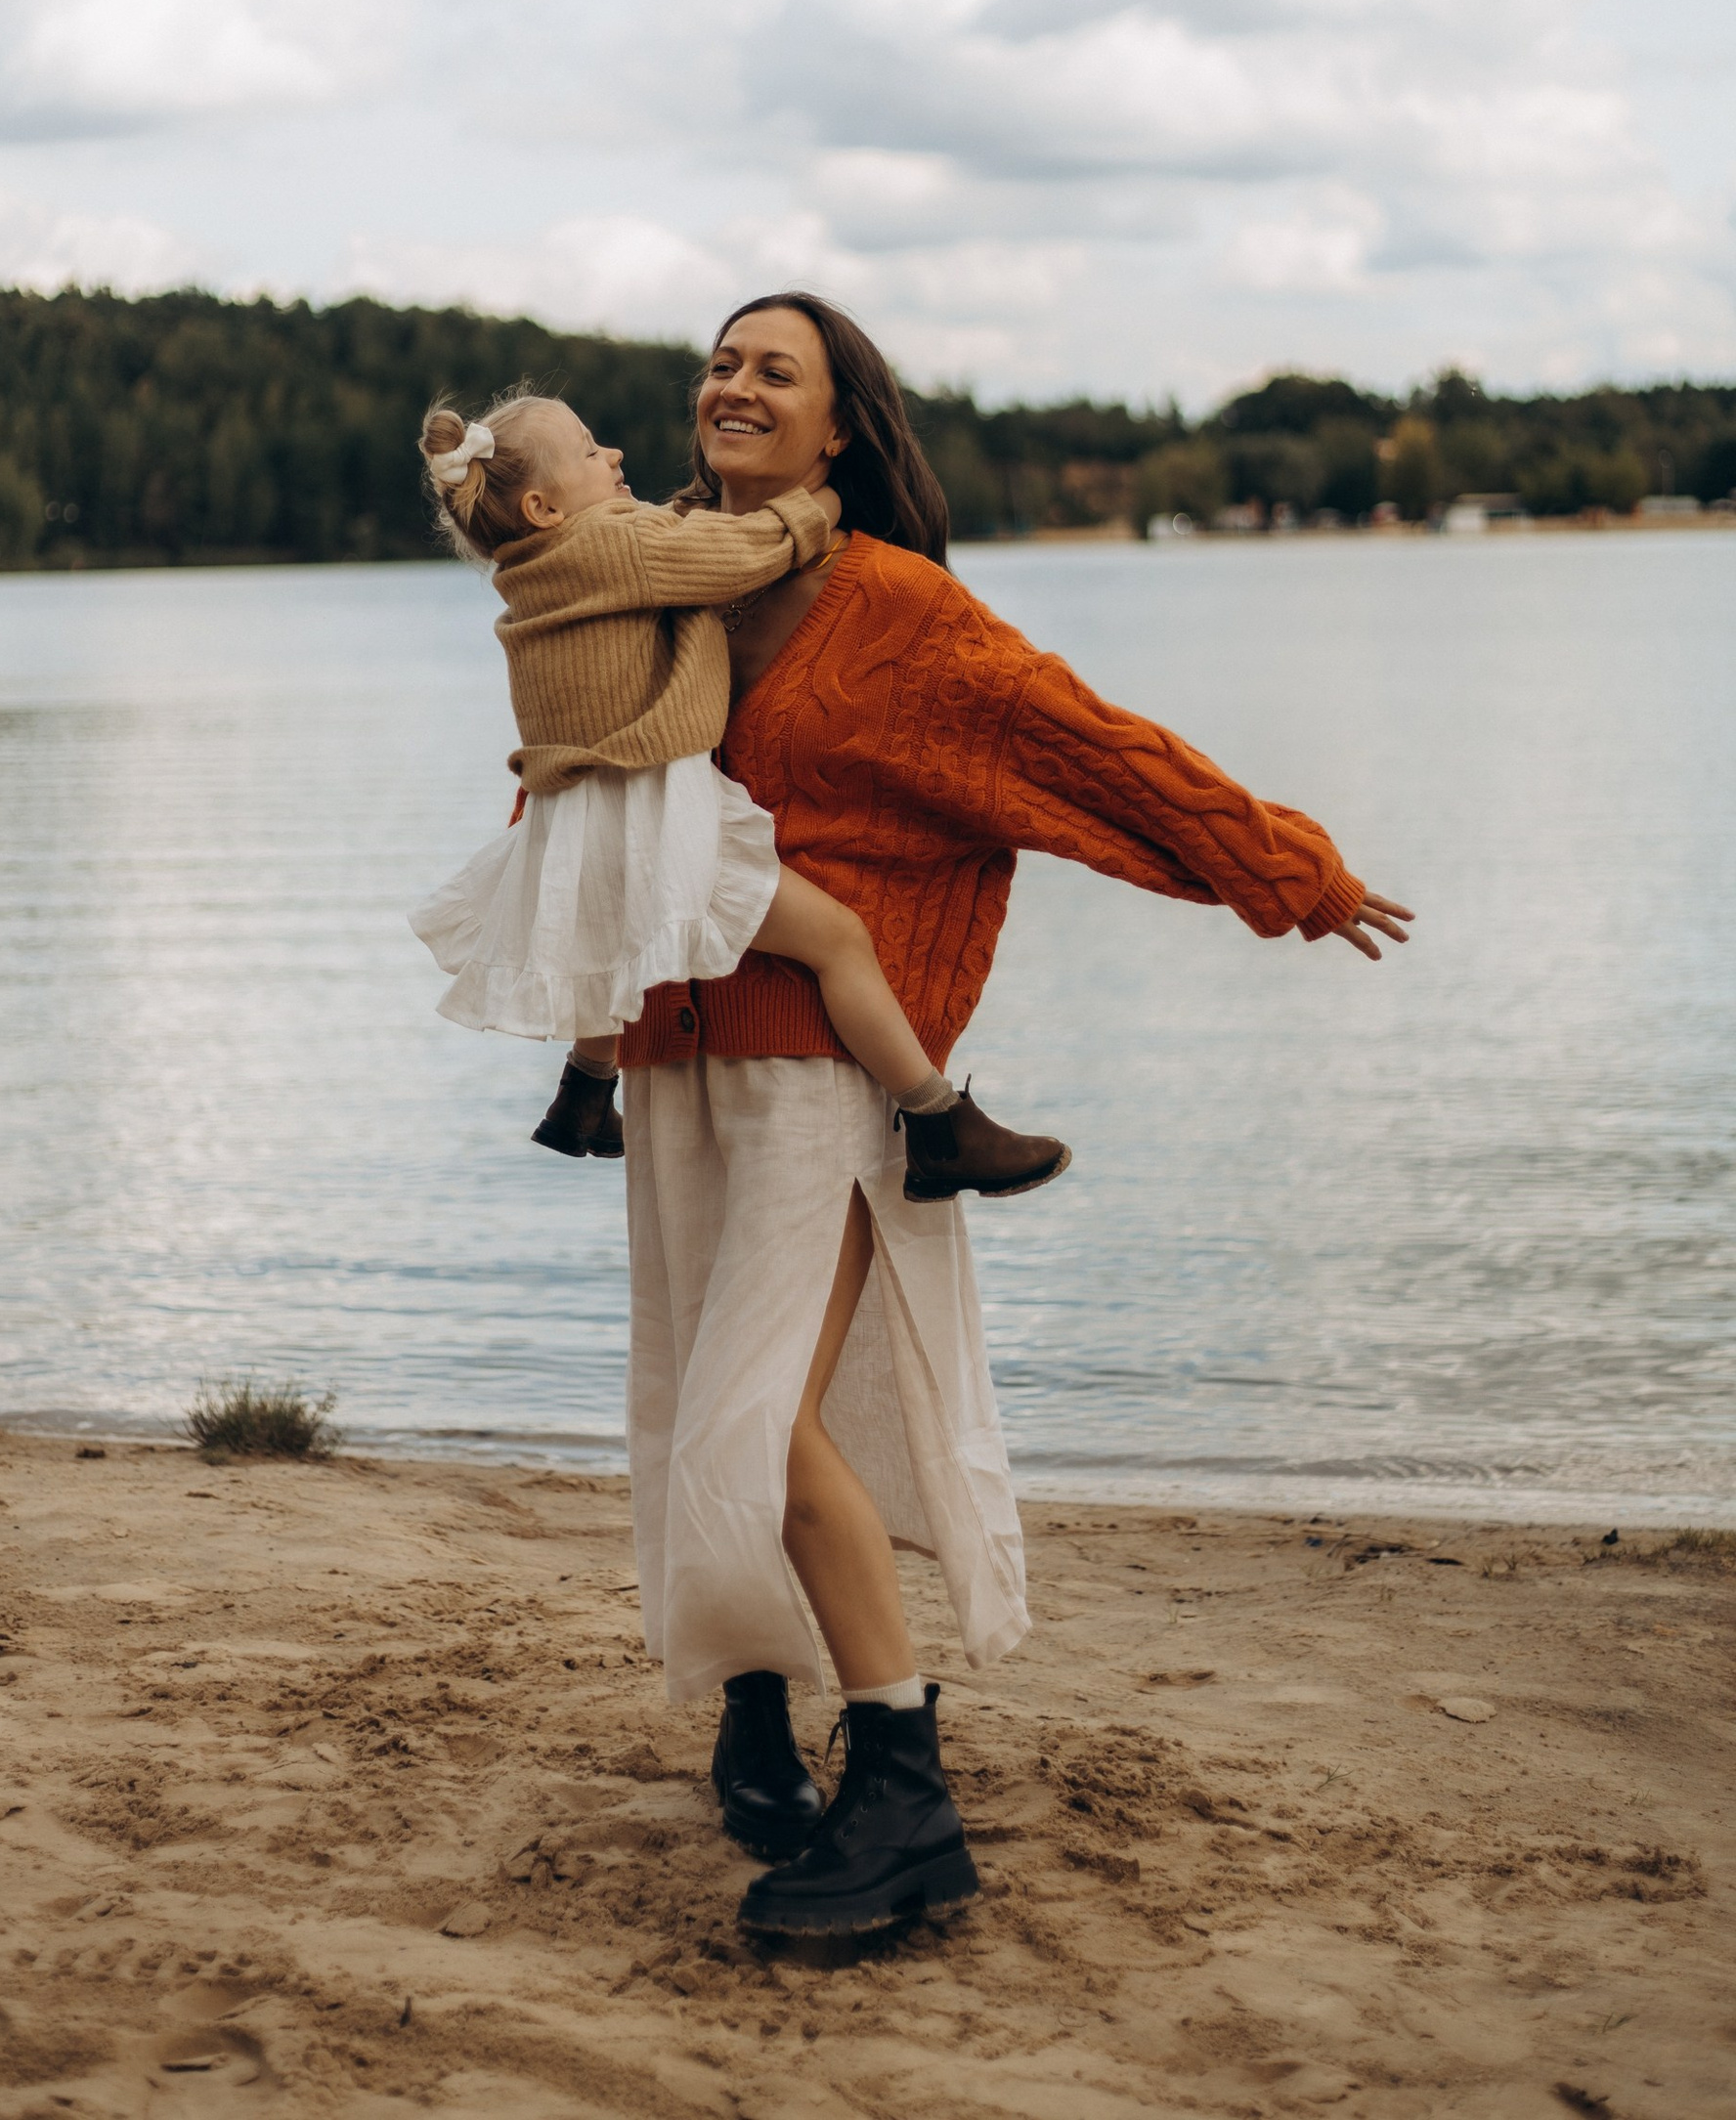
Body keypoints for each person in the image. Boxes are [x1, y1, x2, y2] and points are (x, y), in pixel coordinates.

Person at [618, 292, 1414, 1937]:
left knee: (755, 1419)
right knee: (708, 1401)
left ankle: (904, 1786)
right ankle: (759, 1704)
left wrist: (1285, 869)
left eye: (776, 370)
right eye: (721, 362)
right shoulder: (656, 578)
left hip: (822, 1074)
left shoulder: (895, 611)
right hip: (675, 1059)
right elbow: (576, 770)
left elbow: (1086, 748)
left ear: (841, 425)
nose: (734, 385)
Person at [409, 392, 1069, 1193]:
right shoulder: (616, 544)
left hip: (580, 823)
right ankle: (937, 1126)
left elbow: (667, 549)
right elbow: (747, 553)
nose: (613, 456)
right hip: (653, 818)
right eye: (588, 451)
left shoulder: (532, 569)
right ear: (544, 507)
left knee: (617, 943)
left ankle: (583, 1096)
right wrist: (830, 500)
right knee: (839, 942)